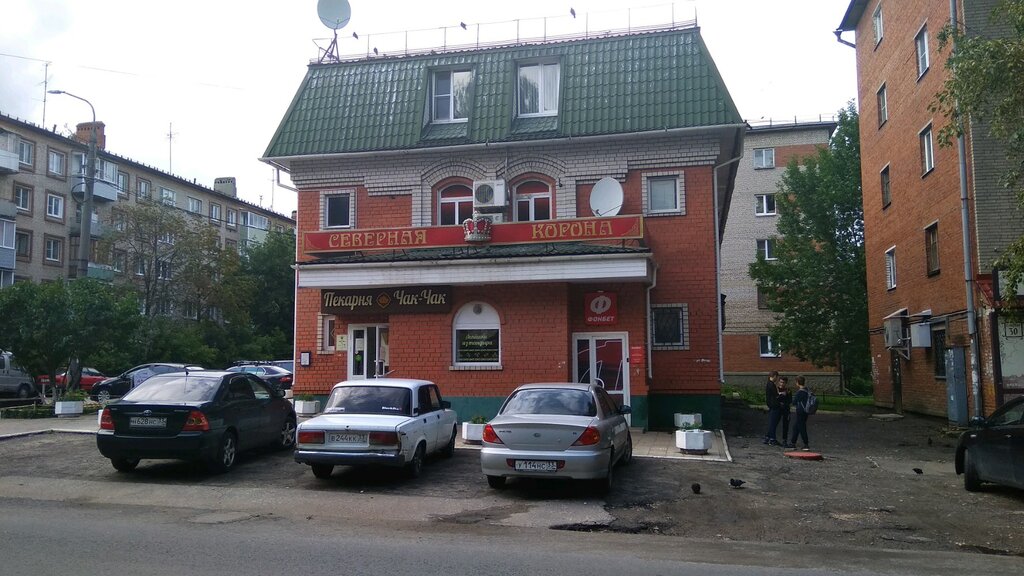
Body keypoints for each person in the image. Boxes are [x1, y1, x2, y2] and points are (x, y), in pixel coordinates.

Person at [789, 375, 811, 451]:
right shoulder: (807, 390)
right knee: (796, 427)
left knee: (802, 427)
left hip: (801, 411)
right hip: (805, 411)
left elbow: (794, 402)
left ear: (797, 382)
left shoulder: (800, 392)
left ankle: (806, 444)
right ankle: (793, 442)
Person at [763, 370, 781, 445]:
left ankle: (768, 437)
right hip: (774, 405)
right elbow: (776, 395)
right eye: (777, 377)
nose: (777, 379)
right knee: (773, 423)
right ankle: (772, 439)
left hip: (771, 404)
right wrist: (780, 394)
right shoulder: (772, 385)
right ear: (774, 376)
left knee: (772, 422)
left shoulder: (768, 384)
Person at [777, 376, 792, 447]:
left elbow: (790, 400)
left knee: (785, 425)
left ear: (786, 383)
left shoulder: (788, 390)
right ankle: (772, 438)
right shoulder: (776, 389)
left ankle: (784, 440)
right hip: (778, 409)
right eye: (781, 382)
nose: (782, 384)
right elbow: (775, 399)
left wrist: (785, 402)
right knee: (775, 423)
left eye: (783, 382)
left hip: (786, 409)